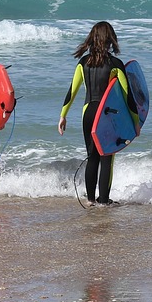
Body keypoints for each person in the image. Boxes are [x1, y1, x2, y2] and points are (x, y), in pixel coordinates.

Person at [59, 21, 136, 205]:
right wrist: (135, 122)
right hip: (106, 115)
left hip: (88, 113)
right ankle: (103, 201)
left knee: (91, 156)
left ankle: (91, 200)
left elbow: (72, 91)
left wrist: (63, 116)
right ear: (110, 39)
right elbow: (128, 96)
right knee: (106, 157)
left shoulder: (83, 62)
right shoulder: (115, 64)